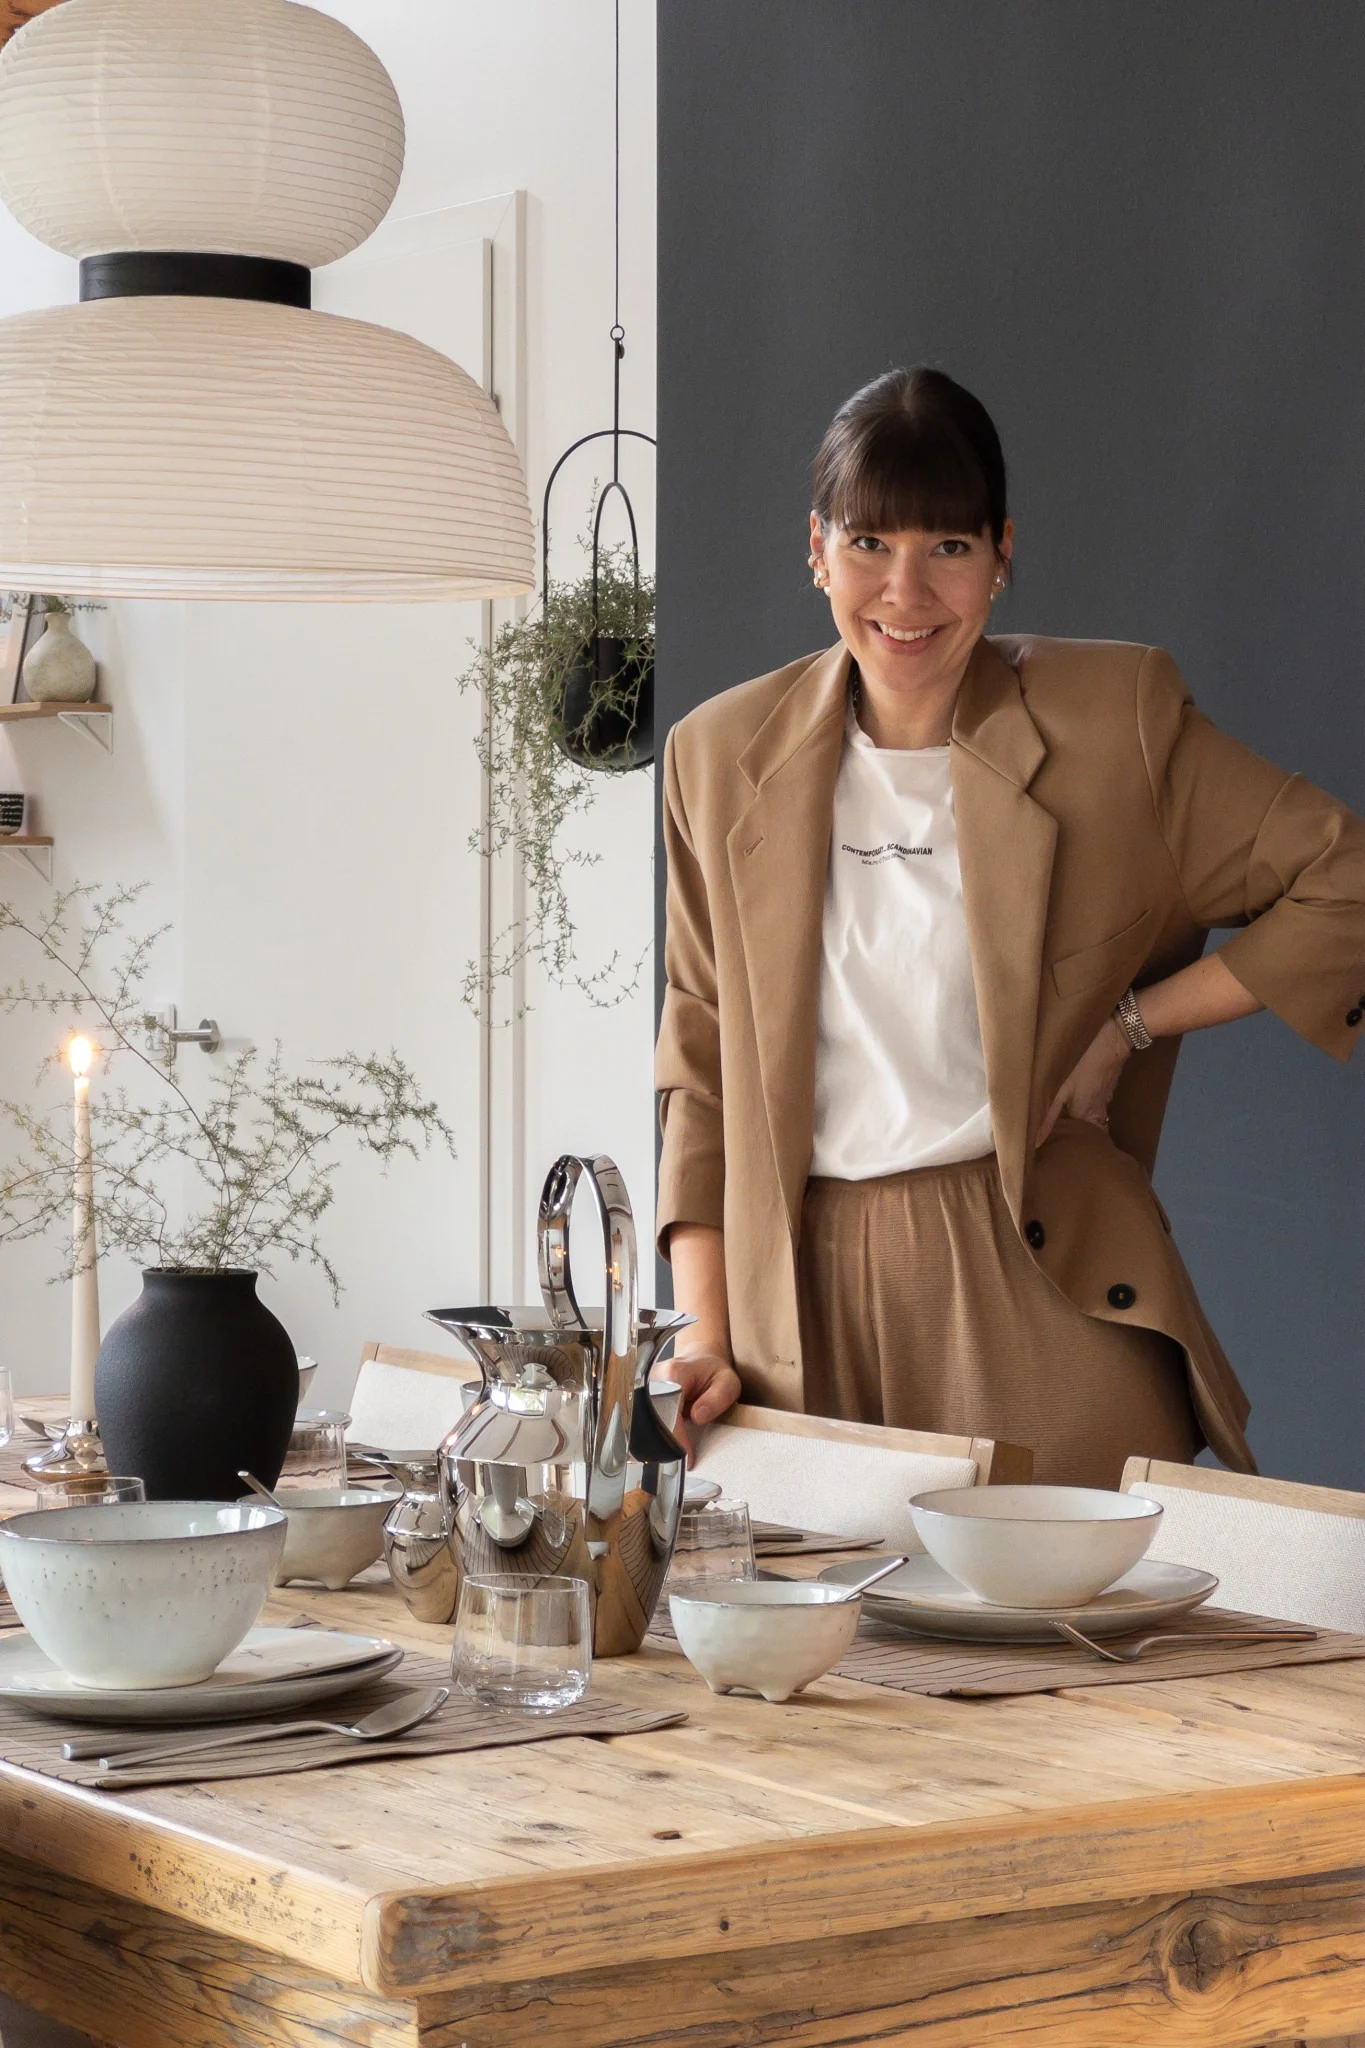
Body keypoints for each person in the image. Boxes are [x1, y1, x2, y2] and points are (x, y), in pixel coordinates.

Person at [655, 365, 1365, 1486]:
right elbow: (699, 1068)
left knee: (1084, 1651)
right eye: (869, 544)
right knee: (828, 1656)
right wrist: (701, 1337)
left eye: (948, 546)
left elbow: (1347, 879)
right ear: (816, 549)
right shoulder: (715, 756)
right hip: (794, 1309)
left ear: (1001, 554)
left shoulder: (1113, 721)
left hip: (1027, 1278)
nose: (906, 591)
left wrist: (1129, 1024)